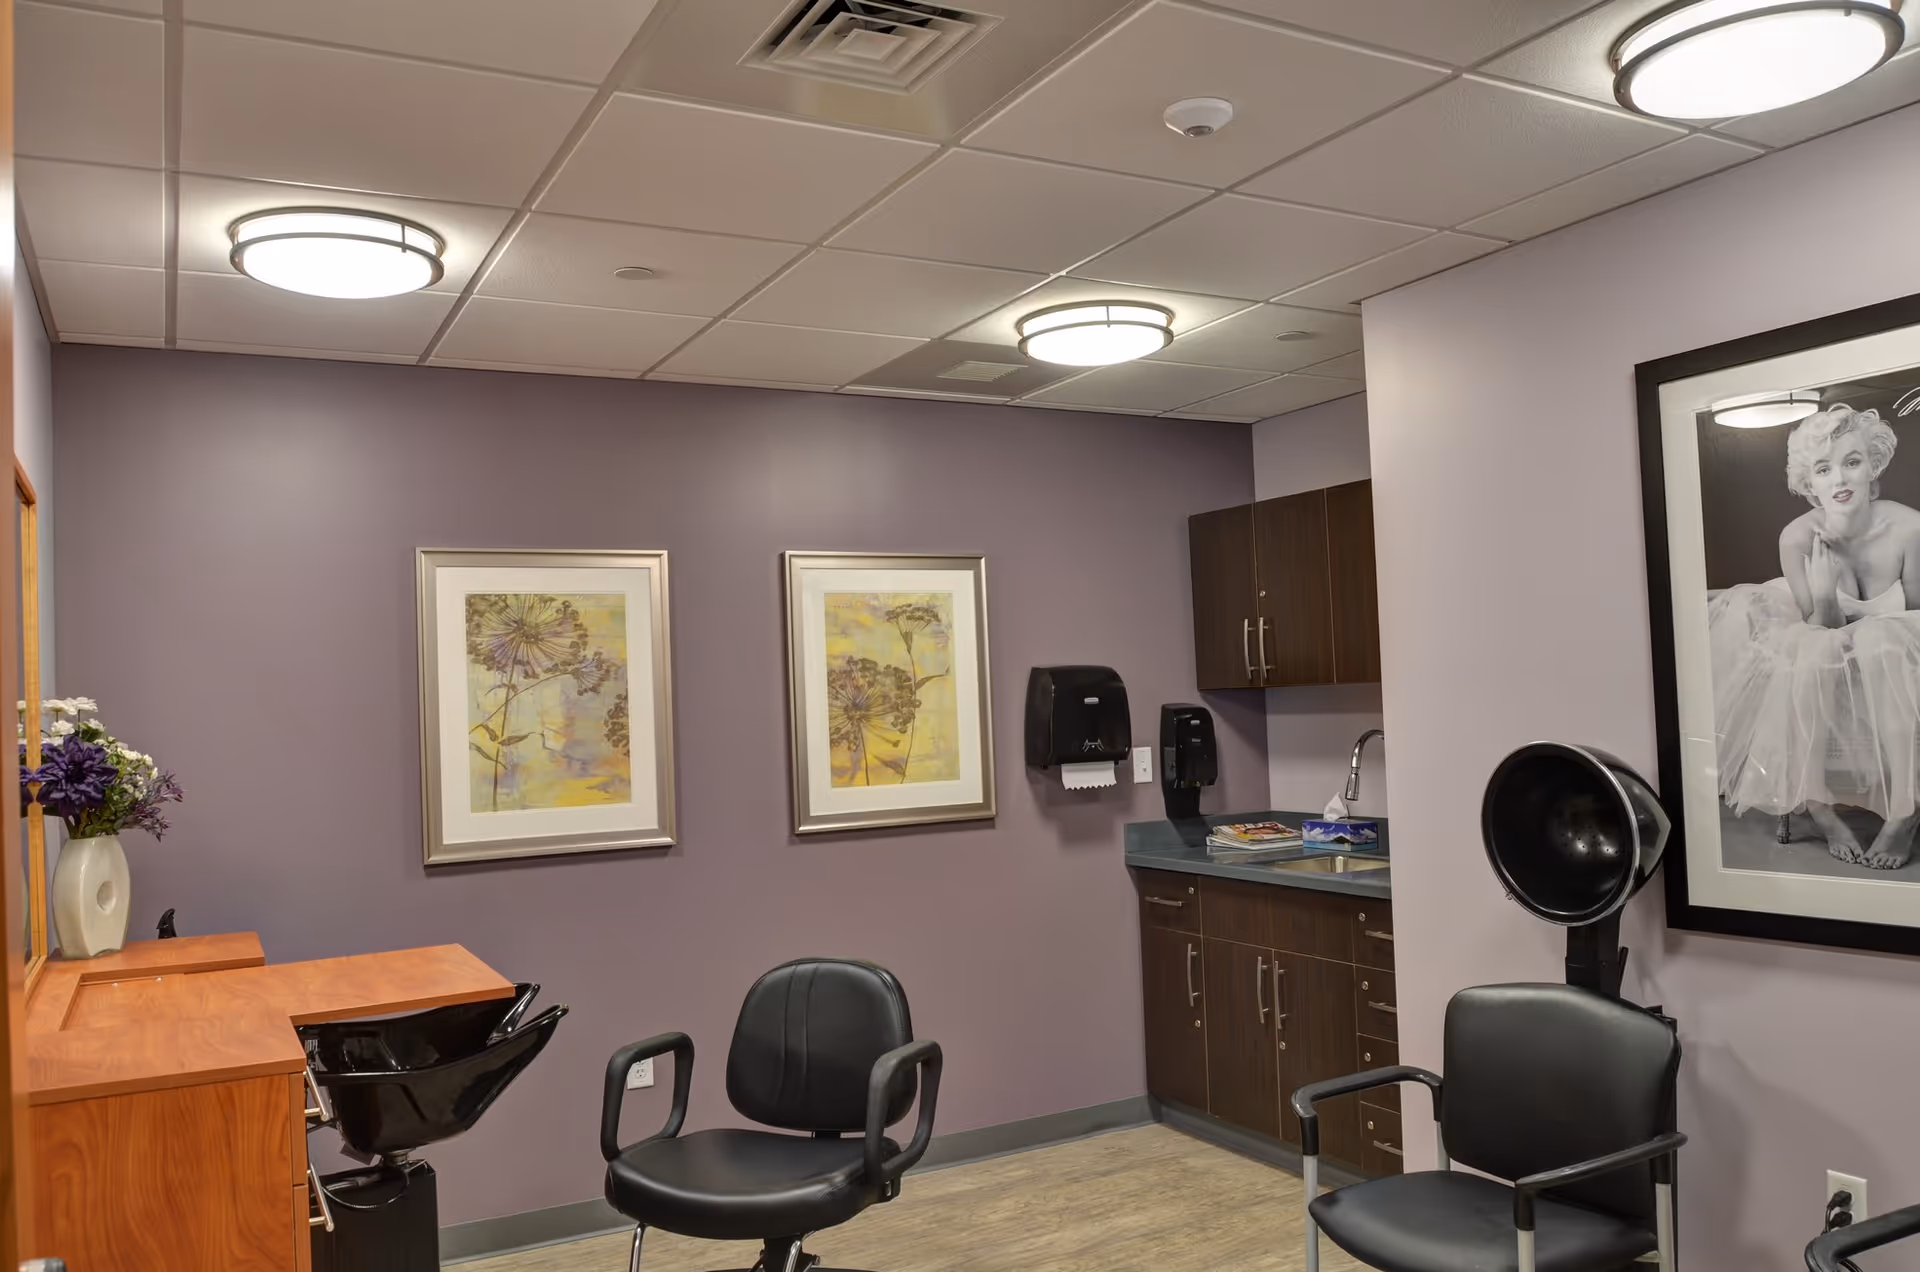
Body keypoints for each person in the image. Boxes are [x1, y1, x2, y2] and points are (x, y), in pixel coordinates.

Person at [1709, 404, 1920, 868]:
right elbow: (1821, 627)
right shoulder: (1797, 539)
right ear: (1810, 484)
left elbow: (1915, 617)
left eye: (1852, 462)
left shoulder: (1909, 528)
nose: (1839, 479)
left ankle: (1905, 809)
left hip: (1894, 645)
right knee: (1807, 651)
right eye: (1824, 469)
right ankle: (1819, 804)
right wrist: (1825, 596)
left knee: (1880, 642)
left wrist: (1860, 621)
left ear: (1872, 468)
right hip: (1827, 634)